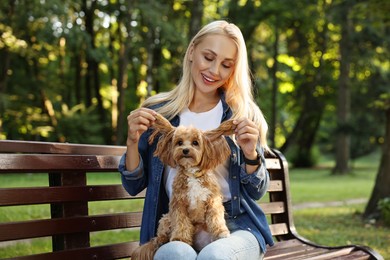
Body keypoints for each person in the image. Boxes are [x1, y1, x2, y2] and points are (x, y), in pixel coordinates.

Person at [118, 20, 274, 260]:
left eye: (226, 65)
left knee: (214, 256)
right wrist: (131, 141)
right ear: (192, 51)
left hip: (234, 227)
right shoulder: (159, 113)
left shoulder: (240, 115)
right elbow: (133, 185)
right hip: (178, 227)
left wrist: (251, 153)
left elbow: (256, 192)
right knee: (173, 255)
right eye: (208, 57)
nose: (214, 71)